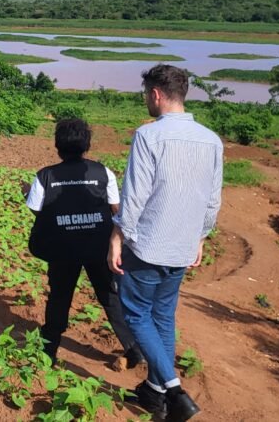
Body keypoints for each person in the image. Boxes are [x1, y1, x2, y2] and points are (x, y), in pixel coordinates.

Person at [109, 64, 222, 422]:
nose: (146, 100)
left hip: (148, 245)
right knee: (162, 316)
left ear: (156, 94)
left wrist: (117, 236)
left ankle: (174, 391)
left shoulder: (149, 137)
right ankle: (155, 393)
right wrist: (201, 237)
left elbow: (135, 196)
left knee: (136, 313)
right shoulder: (212, 140)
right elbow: (213, 200)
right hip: (183, 246)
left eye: (146, 94)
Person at [26, 117, 142, 366]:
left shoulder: (45, 176)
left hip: (62, 248)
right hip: (98, 246)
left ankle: (49, 351)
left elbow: (37, 210)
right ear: (86, 145)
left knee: (59, 296)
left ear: (58, 145)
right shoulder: (103, 172)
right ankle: (133, 349)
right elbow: (116, 209)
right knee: (109, 295)